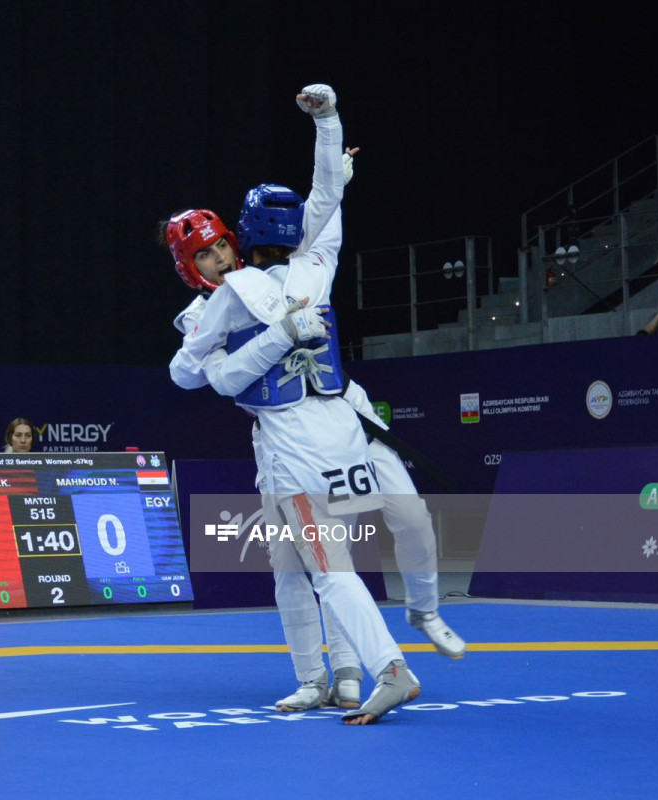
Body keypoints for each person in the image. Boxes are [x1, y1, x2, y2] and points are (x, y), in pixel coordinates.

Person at [168, 84, 420, 725]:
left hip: (296, 443)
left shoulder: (236, 294)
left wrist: (249, 349)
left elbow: (209, 380)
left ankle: (379, 669)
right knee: (296, 563)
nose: (218, 257)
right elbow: (327, 204)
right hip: (330, 437)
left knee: (328, 564)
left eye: (221, 245)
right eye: (204, 253)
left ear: (239, 238)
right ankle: (324, 676)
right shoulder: (315, 265)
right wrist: (330, 129)